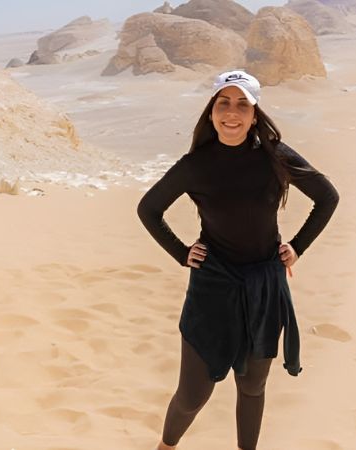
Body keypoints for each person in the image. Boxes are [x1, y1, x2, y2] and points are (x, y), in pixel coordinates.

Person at [136, 70, 339, 450]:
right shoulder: (195, 165)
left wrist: (298, 246)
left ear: (255, 113)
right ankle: (166, 447)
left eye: (242, 104)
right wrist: (182, 253)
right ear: (211, 112)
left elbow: (327, 197)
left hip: (264, 287)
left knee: (252, 386)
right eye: (224, 103)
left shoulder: (275, 156)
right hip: (212, 287)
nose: (232, 113)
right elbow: (148, 209)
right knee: (192, 394)